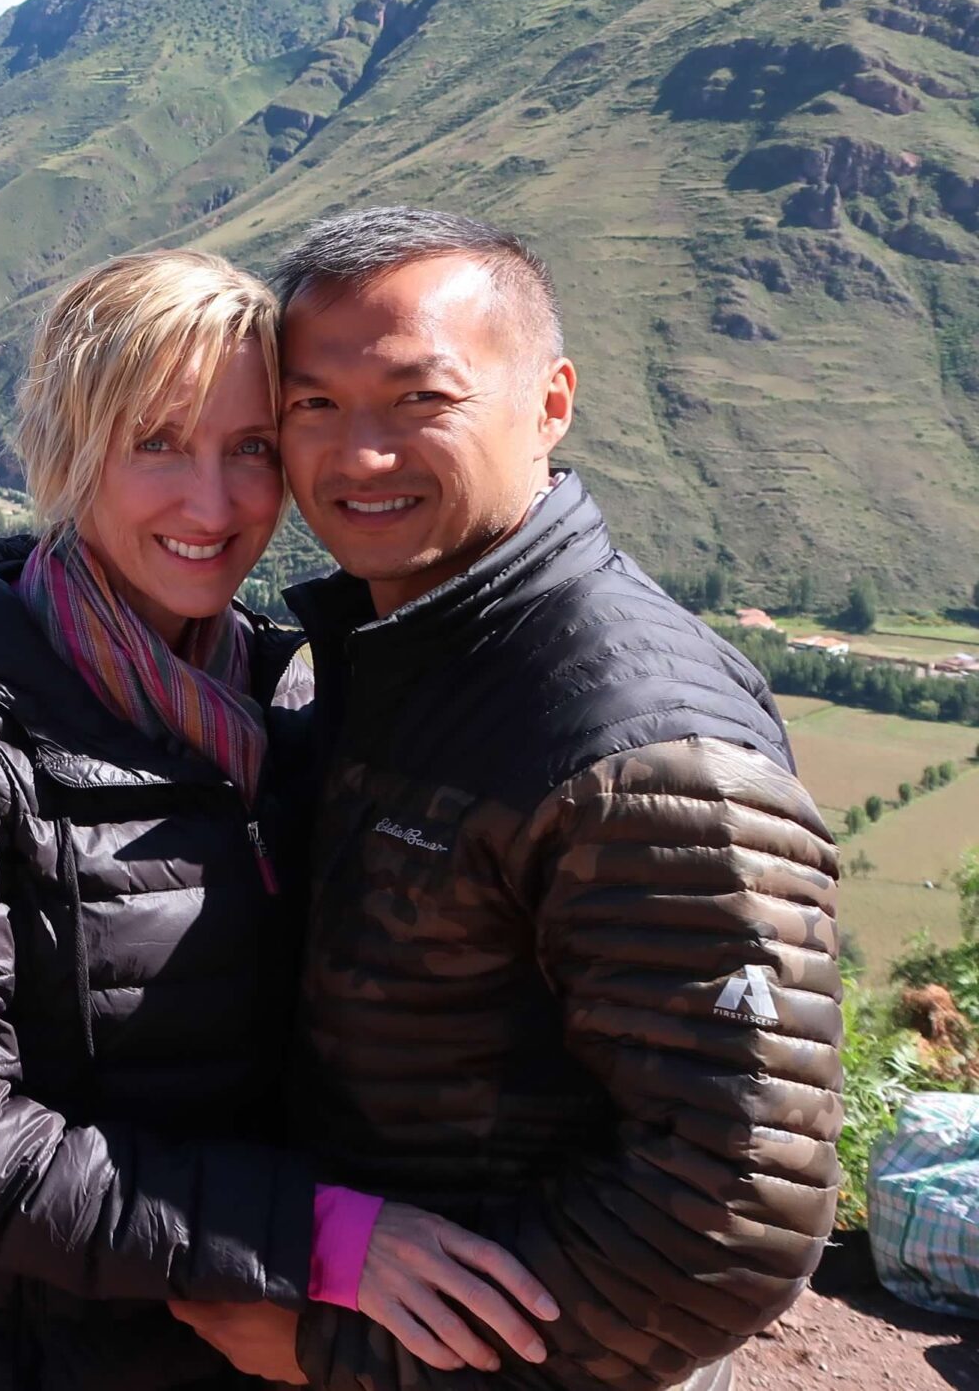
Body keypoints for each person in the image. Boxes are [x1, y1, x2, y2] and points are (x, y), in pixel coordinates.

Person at [0, 248, 557, 1391]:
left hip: (238, 1339)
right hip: (7, 1354)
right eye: (155, 442)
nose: (212, 503)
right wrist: (319, 1238)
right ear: (67, 448)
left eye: (249, 449)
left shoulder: (291, 700)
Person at [171, 208, 842, 1390]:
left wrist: (345, 1349)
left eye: (420, 401)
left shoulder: (641, 748)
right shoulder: (405, 659)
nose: (357, 455)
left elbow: (732, 1209)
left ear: (549, 404)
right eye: (315, 406)